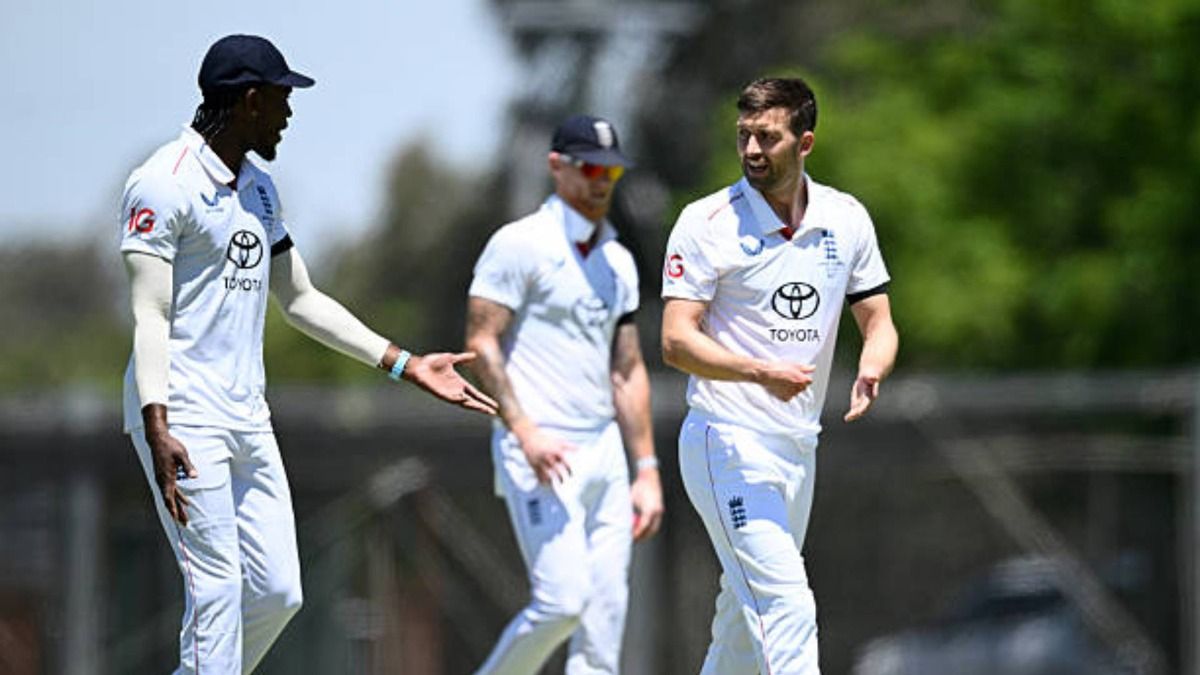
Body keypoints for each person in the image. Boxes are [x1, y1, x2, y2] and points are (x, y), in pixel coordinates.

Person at [119, 34, 497, 674]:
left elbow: (300, 300)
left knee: (276, 593)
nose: (289, 115)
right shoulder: (162, 183)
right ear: (248, 100)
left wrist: (407, 364)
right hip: (182, 418)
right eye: (281, 100)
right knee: (215, 591)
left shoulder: (260, 191)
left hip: (247, 417)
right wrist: (158, 425)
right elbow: (148, 313)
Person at [660, 77, 899, 674]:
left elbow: (880, 322)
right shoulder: (706, 221)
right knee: (787, 608)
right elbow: (675, 341)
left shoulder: (846, 218)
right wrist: (758, 370)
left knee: (744, 627)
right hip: (726, 442)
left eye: (767, 137)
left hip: (798, 447)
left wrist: (872, 366)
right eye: (743, 136)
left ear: (806, 142)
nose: (751, 150)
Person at [464, 114, 665, 674]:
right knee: (561, 604)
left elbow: (627, 369)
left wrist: (646, 468)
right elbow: (482, 344)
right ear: (557, 167)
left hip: (604, 454)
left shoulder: (619, 261)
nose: (602, 180)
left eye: (612, 171)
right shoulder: (519, 244)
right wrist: (524, 432)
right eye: (590, 168)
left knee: (604, 623)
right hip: (540, 449)